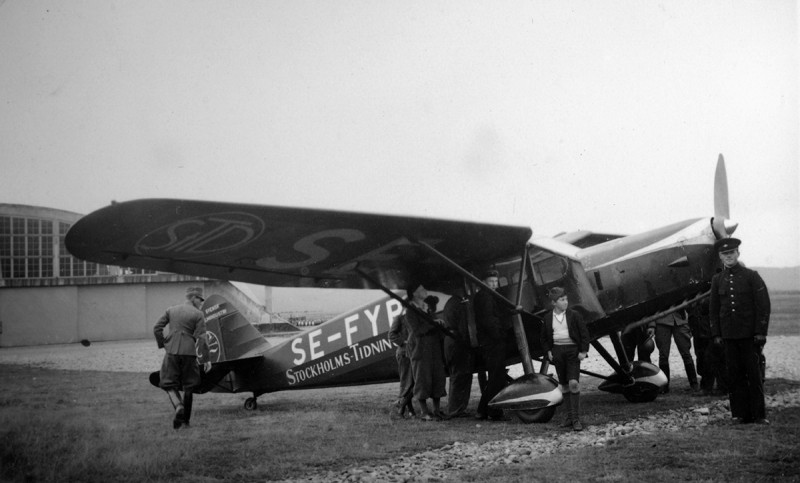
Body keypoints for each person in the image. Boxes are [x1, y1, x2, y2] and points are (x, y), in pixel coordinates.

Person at [710, 237, 771, 424]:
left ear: (738, 253)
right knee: (734, 375)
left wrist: (760, 332)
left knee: (754, 374)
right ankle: (739, 414)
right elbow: (714, 309)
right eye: (725, 254)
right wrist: (717, 334)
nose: (729, 257)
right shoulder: (717, 280)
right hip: (729, 336)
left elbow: (763, 306)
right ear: (720, 257)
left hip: (749, 336)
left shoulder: (752, 276)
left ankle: (759, 415)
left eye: (732, 253)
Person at [153, 286, 208, 429]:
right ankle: (185, 422)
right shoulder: (198, 314)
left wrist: (163, 344)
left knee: (167, 383)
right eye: (200, 300)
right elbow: (202, 338)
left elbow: (157, 328)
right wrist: (206, 359)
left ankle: (178, 406)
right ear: (194, 298)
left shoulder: (171, 310)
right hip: (189, 353)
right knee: (189, 386)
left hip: (172, 352)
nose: (201, 303)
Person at [540, 286, 590, 431]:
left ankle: (576, 419)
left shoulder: (575, 315)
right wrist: (548, 351)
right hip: (558, 352)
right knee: (565, 385)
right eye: (562, 300)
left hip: (572, 351)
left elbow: (584, 334)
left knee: (574, 383)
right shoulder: (548, 318)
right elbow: (543, 338)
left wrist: (583, 351)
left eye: (566, 299)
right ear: (554, 303)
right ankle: (569, 418)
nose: (566, 302)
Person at [473, 270, 516, 421]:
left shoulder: (488, 296)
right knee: (496, 378)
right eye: (490, 281)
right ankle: (490, 411)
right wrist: (501, 335)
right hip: (492, 343)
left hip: (492, 342)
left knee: (496, 377)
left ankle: (484, 411)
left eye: (495, 282)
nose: (493, 284)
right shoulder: (484, 297)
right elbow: (489, 321)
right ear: (484, 282)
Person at [403, 283, 447, 421]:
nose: (425, 291)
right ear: (414, 293)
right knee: (423, 379)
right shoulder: (410, 310)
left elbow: (430, 324)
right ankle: (424, 412)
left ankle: (437, 410)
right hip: (420, 348)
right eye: (421, 289)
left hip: (433, 346)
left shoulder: (426, 308)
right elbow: (416, 330)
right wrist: (434, 323)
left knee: (437, 377)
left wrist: (438, 323)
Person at [442, 287, 474, 418]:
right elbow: (462, 326)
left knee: (461, 375)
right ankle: (454, 410)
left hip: (453, 341)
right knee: (458, 375)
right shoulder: (458, 304)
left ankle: (459, 409)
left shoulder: (452, 302)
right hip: (457, 342)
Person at [688, 298, 729, 396]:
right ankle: (706, 386)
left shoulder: (713, 292)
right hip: (698, 331)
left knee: (715, 360)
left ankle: (720, 387)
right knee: (702, 359)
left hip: (711, 332)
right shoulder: (693, 294)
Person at [654, 309, 698, 393]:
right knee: (663, 355)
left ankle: (694, 384)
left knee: (686, 354)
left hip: (680, 320)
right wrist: (652, 325)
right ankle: (664, 386)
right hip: (661, 321)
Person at [388, 309, 416, 419]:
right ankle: (400, 408)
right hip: (404, 353)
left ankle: (407, 410)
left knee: (410, 382)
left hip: (411, 352)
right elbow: (391, 334)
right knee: (408, 383)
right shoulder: (399, 318)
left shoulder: (411, 318)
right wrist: (403, 342)